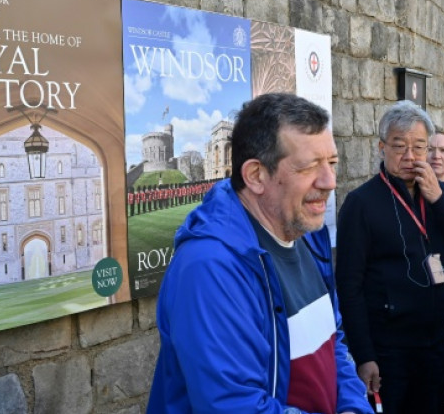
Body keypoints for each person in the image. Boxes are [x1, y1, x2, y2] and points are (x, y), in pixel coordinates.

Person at [146, 93, 371, 414]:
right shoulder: (209, 267)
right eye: (309, 167)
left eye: (332, 163)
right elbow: (233, 404)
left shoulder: (308, 232)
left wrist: (351, 405)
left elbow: (332, 341)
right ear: (255, 175)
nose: (330, 181)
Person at [336, 100, 444, 414]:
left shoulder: (439, 194)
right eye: (399, 146)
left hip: (437, 341)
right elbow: (349, 285)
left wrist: (440, 200)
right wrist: (364, 354)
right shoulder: (361, 203)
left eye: (419, 147)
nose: (410, 156)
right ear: (381, 147)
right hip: (389, 348)